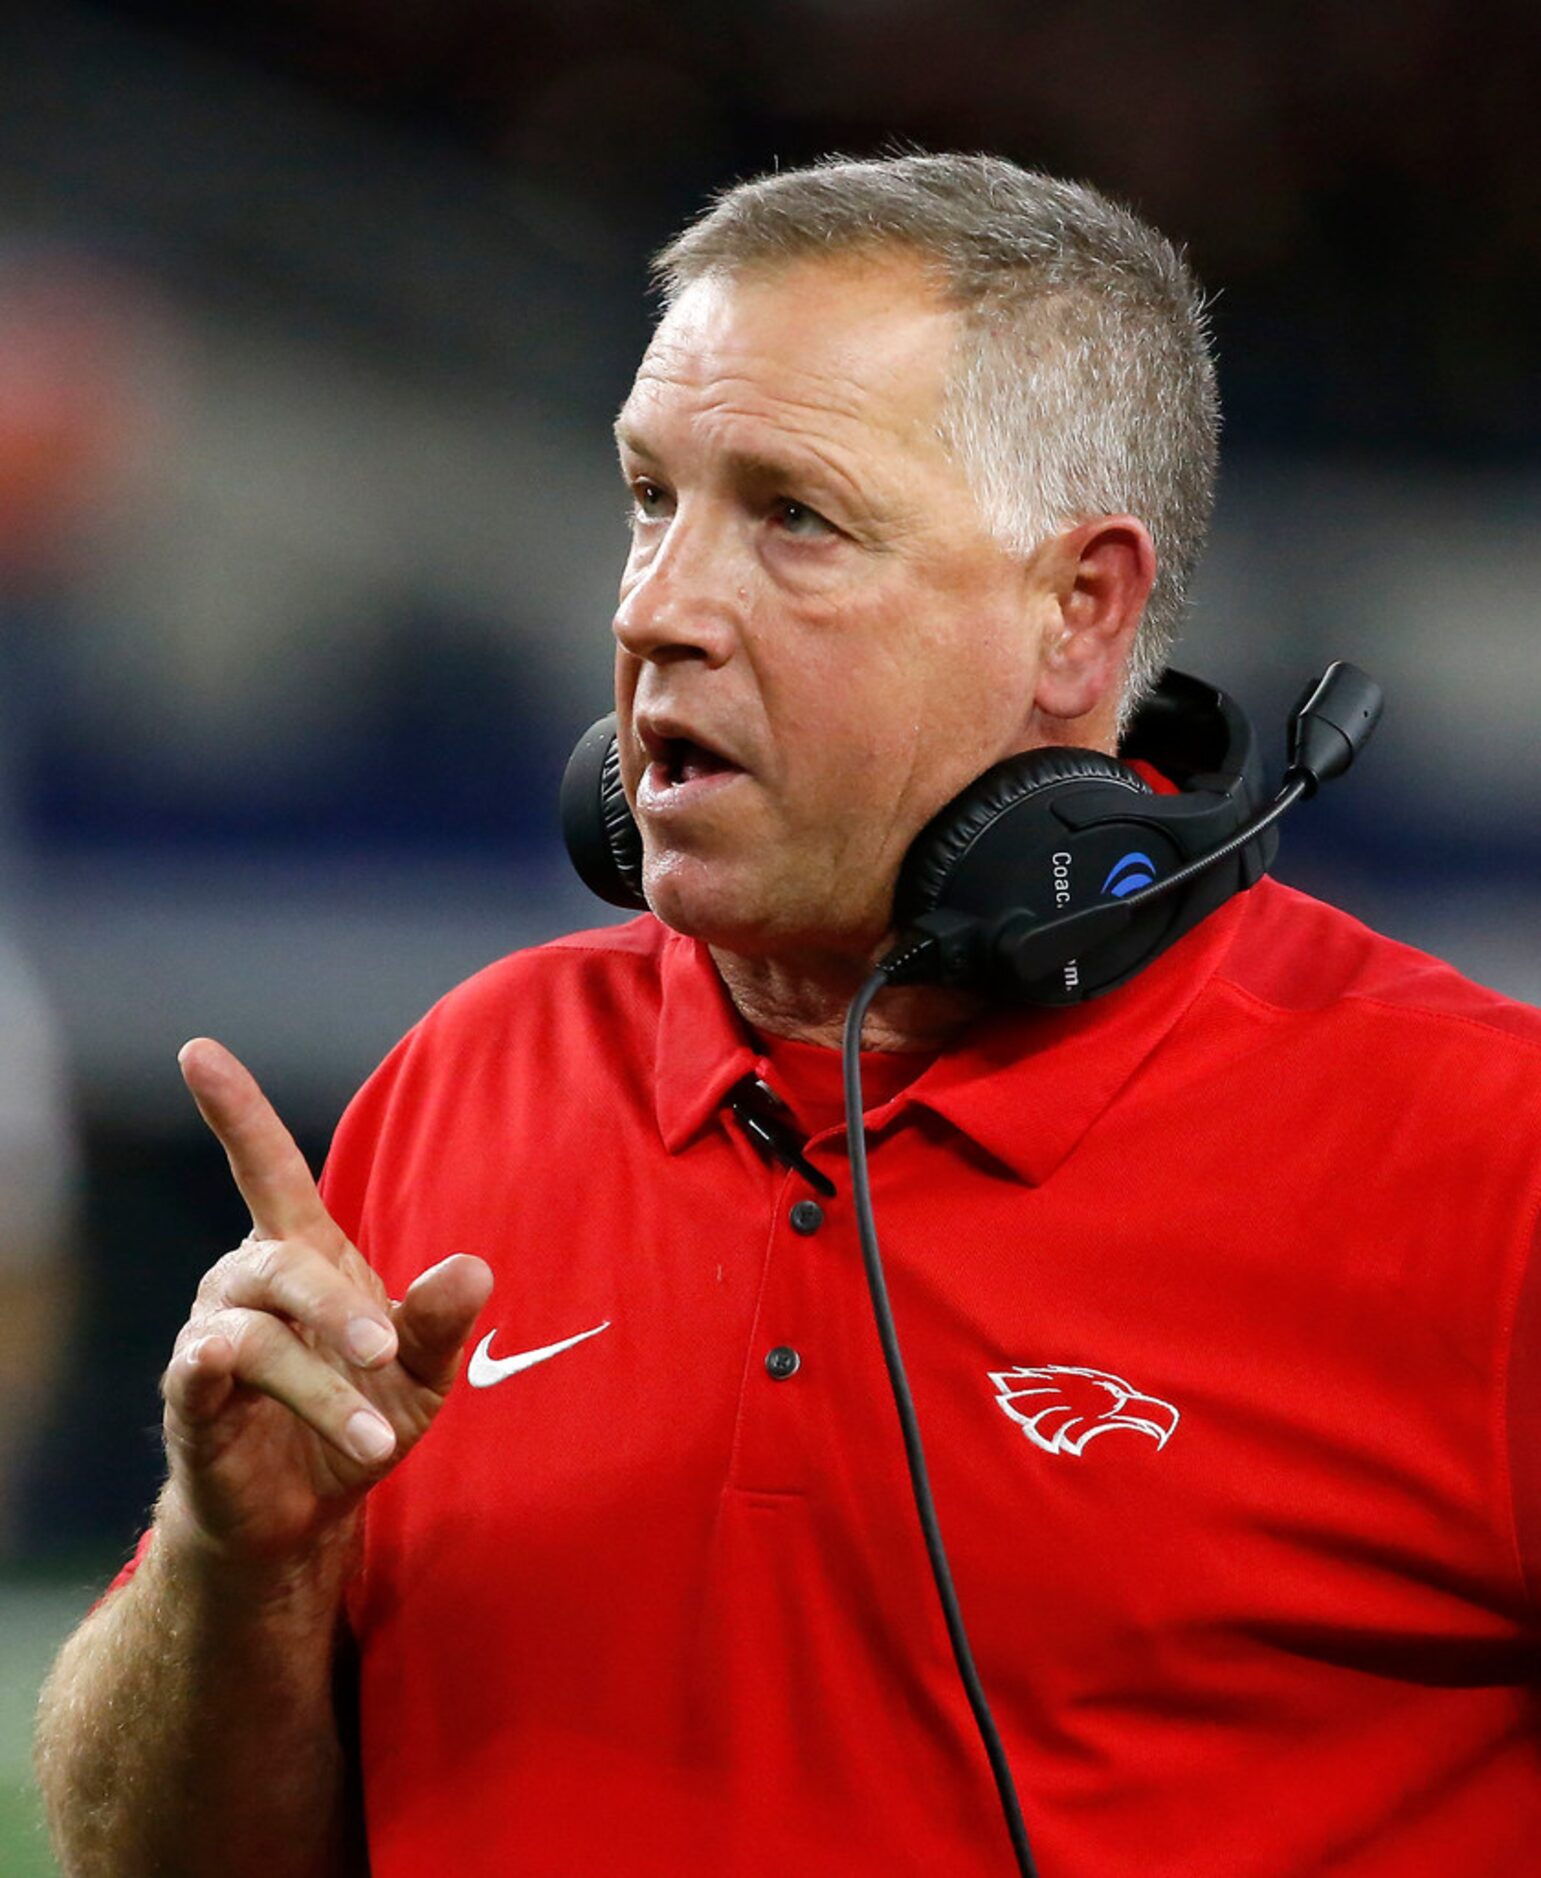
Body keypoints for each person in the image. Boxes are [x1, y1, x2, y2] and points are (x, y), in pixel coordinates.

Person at [33, 154, 1541, 1876]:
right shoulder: (472, 1074)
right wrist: (243, 1575)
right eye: (646, 497)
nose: (654, 606)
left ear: (1080, 610)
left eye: (792, 517)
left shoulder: (1481, 1161)